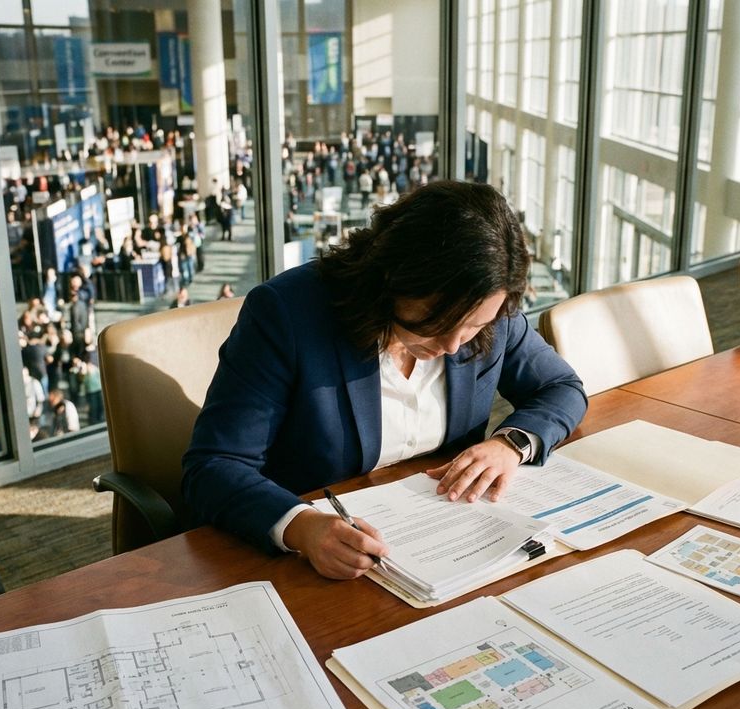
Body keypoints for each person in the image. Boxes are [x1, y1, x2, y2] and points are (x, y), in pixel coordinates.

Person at [183, 181, 587, 580]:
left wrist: (511, 444)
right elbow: (214, 465)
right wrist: (301, 527)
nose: (451, 345)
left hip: (451, 547)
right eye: (437, 322)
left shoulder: (488, 306)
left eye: (472, 327)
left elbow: (561, 388)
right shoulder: (287, 314)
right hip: (314, 564)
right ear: (393, 277)